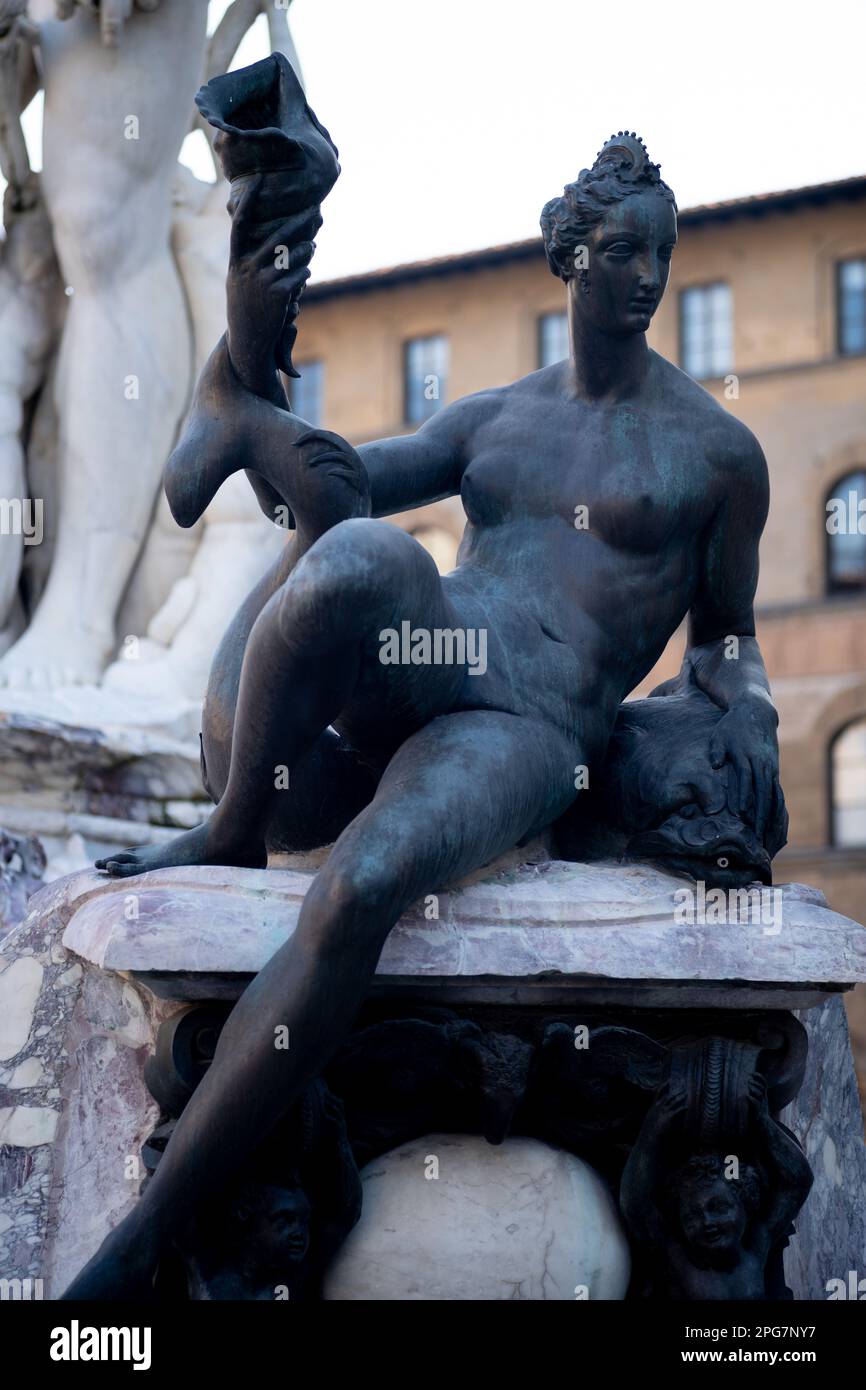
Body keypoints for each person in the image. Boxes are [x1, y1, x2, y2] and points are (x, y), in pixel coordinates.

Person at [63, 131, 784, 1297]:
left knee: (363, 880)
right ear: (569, 257)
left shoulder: (716, 454)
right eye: (620, 249)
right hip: (442, 639)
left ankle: (150, 1232)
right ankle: (236, 820)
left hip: (532, 726)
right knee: (352, 552)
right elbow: (342, 490)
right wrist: (257, 361)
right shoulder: (496, 418)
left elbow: (727, 637)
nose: (645, 275)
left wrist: (744, 712)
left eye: (660, 252)